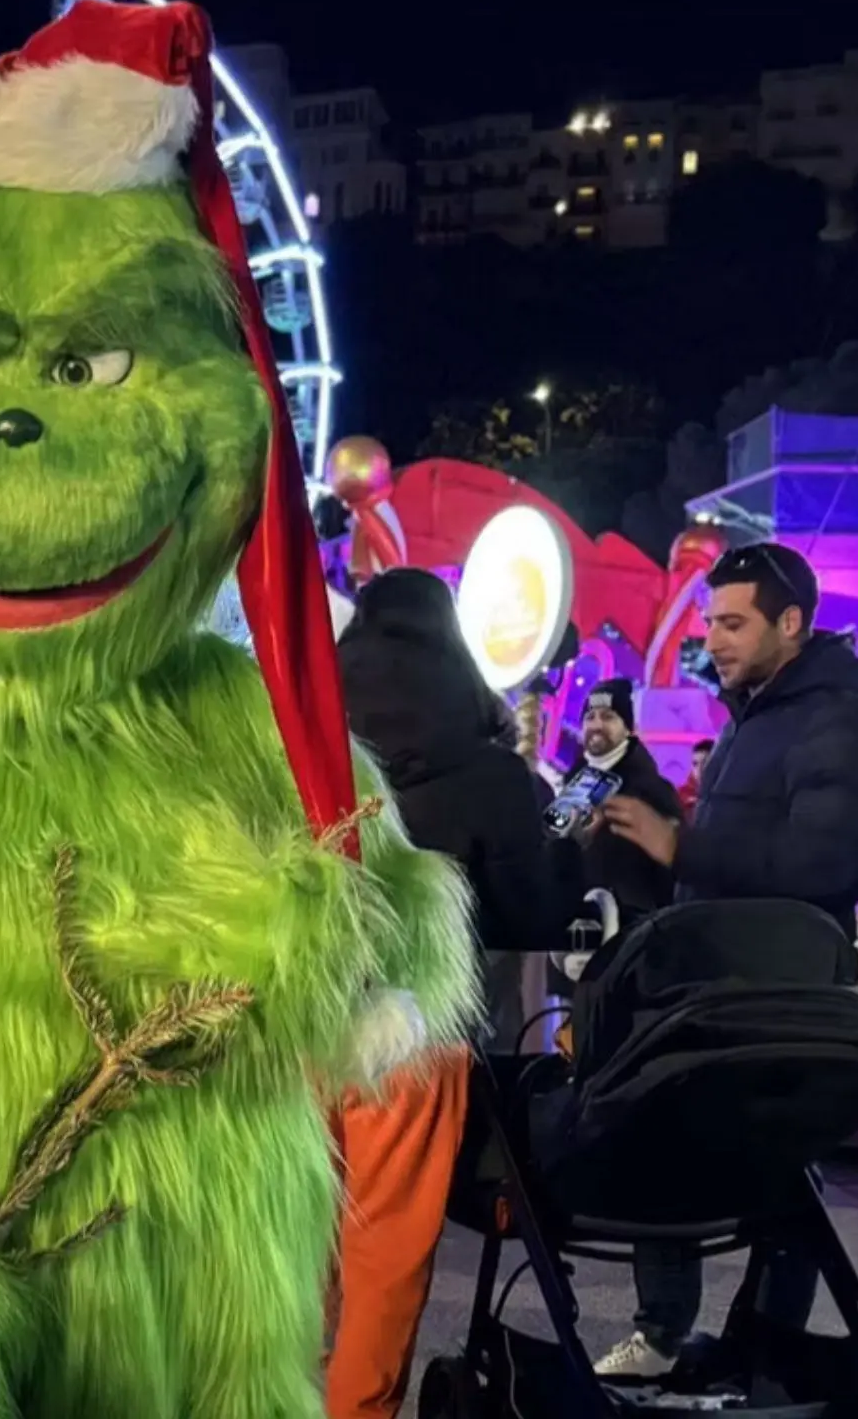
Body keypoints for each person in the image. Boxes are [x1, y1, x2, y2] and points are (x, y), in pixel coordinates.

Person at [598, 542, 858, 1378]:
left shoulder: (842, 717)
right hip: (717, 982)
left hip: (786, 992)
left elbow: (820, 869)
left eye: (733, 622)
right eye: (710, 621)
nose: (714, 639)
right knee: (667, 1140)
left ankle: (754, 1342)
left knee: (779, 1174)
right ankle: (666, 1334)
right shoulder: (758, 712)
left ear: (791, 623)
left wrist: (680, 846)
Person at [328, 567, 583, 1419]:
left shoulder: (297, 738)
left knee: (277, 1250)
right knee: (383, 1257)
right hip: (413, 1035)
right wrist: (566, 852)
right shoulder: (490, 775)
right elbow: (532, 915)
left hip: (287, 1023)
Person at [559, 678, 680, 925]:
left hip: (631, 927)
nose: (597, 725)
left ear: (628, 728)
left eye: (608, 716)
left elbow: (672, 869)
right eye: (590, 717)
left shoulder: (650, 788)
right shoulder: (572, 785)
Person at [678, 737, 715, 820]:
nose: (699, 770)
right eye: (695, 764)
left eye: (706, 763)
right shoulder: (681, 796)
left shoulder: (728, 795)